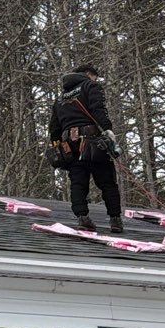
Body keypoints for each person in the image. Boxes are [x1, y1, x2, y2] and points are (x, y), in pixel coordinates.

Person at [47, 63, 123, 232]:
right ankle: (115, 219)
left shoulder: (60, 99)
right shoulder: (90, 85)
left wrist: (58, 145)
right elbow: (98, 109)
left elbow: (54, 128)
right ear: (89, 74)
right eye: (95, 77)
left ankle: (82, 218)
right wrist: (108, 129)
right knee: (107, 181)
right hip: (93, 140)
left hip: (71, 145)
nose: (96, 80)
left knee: (78, 182)